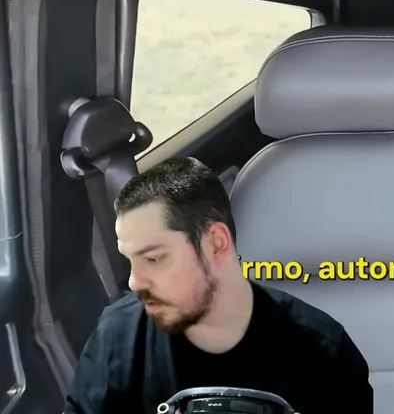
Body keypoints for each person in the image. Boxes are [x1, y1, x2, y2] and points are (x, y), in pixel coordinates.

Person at [64, 157, 373, 413]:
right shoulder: (117, 336)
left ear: (216, 243)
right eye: (130, 260)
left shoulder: (323, 352)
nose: (134, 282)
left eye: (154, 258)